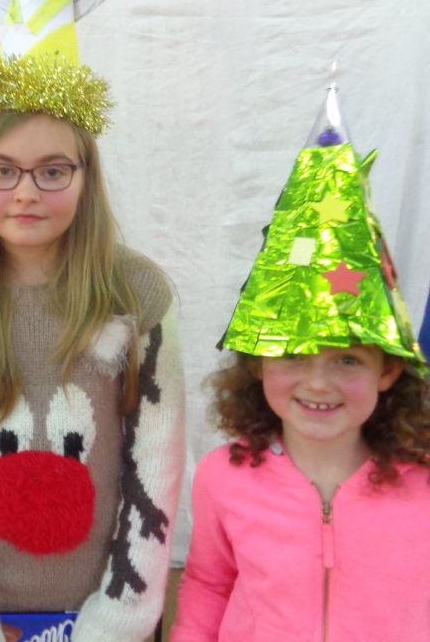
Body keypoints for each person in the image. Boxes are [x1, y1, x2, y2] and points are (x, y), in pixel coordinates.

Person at [0, 101, 185, 638]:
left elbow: (156, 459)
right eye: (3, 170)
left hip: (106, 609)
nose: (26, 192)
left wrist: (118, 620)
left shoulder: (136, 293)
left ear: (86, 177)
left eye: (53, 171)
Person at [171, 85, 430, 641]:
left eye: (347, 360)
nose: (318, 382)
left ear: (388, 371)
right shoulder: (225, 476)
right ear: (258, 362)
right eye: (291, 354)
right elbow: (209, 584)